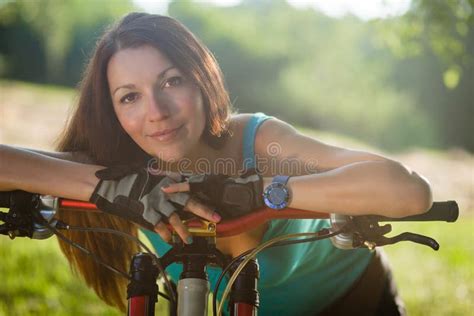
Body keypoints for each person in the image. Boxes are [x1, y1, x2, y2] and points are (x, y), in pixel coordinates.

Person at [0, 12, 433, 315]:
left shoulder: (259, 141)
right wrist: (105, 185)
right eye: (129, 96)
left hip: (355, 301)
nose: (156, 111)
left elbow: (409, 191)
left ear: (202, 80)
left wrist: (255, 191)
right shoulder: (125, 167)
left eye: (171, 81)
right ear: (113, 112)